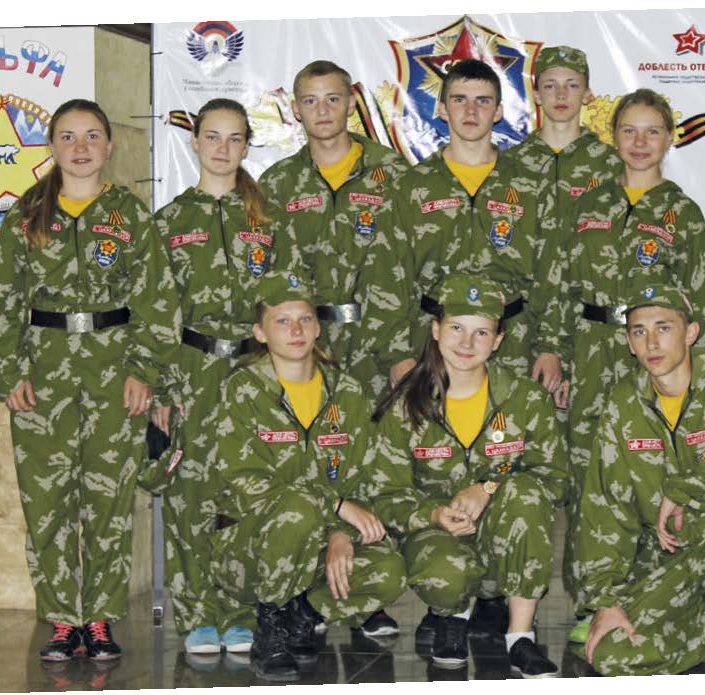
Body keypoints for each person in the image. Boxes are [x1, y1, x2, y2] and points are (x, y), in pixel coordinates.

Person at [0, 98, 181, 661]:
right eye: (68, 136)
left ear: (109, 146)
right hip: (43, 374)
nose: (81, 147)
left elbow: (157, 300)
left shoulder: (130, 215)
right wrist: (7, 371)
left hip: (115, 372)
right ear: (52, 146)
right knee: (47, 503)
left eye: (92, 135)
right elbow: (1, 300)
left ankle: (100, 617)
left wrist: (144, 371)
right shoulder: (27, 216)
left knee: (109, 500)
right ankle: (64, 620)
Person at [563, 88, 705, 643]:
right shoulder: (587, 204)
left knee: (652, 473)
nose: (640, 143)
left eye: (652, 131)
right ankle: (593, 599)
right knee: (591, 477)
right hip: (593, 352)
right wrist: (554, 353)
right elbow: (557, 285)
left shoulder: (681, 212)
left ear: (669, 138)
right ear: (613, 137)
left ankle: (652, 597)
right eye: (629, 131)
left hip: (655, 360)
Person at [574, 281, 705, 675]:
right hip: (668, 562)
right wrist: (605, 600)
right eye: (639, 331)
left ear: (691, 333)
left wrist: (686, 487)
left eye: (664, 327)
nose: (652, 343)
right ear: (628, 343)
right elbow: (603, 508)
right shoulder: (622, 404)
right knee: (611, 655)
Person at [152, 97, 299, 655]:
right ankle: (197, 615)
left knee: (247, 489)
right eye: (212, 137)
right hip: (192, 367)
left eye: (235, 138)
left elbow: (289, 302)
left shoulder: (268, 219)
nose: (223, 148)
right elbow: (155, 310)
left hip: (255, 368)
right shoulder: (169, 222)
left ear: (246, 145)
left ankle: (240, 611)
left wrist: (289, 375)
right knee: (190, 493)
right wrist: (162, 387)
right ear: (194, 142)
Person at [210, 271, 407, 682]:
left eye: (305, 319)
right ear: (259, 333)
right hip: (250, 551)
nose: (296, 331)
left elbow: (365, 478)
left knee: (389, 570)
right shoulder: (242, 390)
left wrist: (341, 532)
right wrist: (334, 506)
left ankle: (302, 616)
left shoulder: (346, 392)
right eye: (282, 321)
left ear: (318, 328)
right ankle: (271, 627)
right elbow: (245, 481)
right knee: (296, 509)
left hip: (317, 545)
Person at [371, 273, 567, 678]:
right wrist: (434, 514)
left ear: (498, 341)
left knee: (527, 493)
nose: (467, 343)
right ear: (436, 330)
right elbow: (386, 494)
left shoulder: (525, 398)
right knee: (448, 573)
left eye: (482, 333)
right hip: (436, 536)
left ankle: (520, 637)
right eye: (457, 328)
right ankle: (452, 618)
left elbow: (554, 477)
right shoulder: (407, 404)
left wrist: (488, 487)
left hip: (505, 536)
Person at [388, 59, 566, 406]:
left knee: (510, 435)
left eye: (482, 101)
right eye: (459, 100)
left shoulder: (529, 184)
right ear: (442, 109)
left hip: (514, 342)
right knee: (434, 434)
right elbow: (389, 275)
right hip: (432, 343)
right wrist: (397, 352)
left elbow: (552, 272)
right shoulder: (411, 186)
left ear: (498, 111)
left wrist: (551, 347)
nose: (471, 111)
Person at [258, 60, 413, 413]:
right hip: (305, 345)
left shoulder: (392, 174)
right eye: (310, 101)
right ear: (295, 109)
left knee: (381, 440)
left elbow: (412, 267)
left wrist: (401, 351)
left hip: (379, 346)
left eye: (333, 99)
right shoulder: (278, 183)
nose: (322, 110)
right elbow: (265, 276)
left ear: (352, 103)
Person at [506, 45, 620, 236]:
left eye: (572, 85)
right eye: (550, 86)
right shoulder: (509, 164)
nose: (561, 94)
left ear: (587, 95)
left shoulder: (612, 164)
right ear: (537, 95)